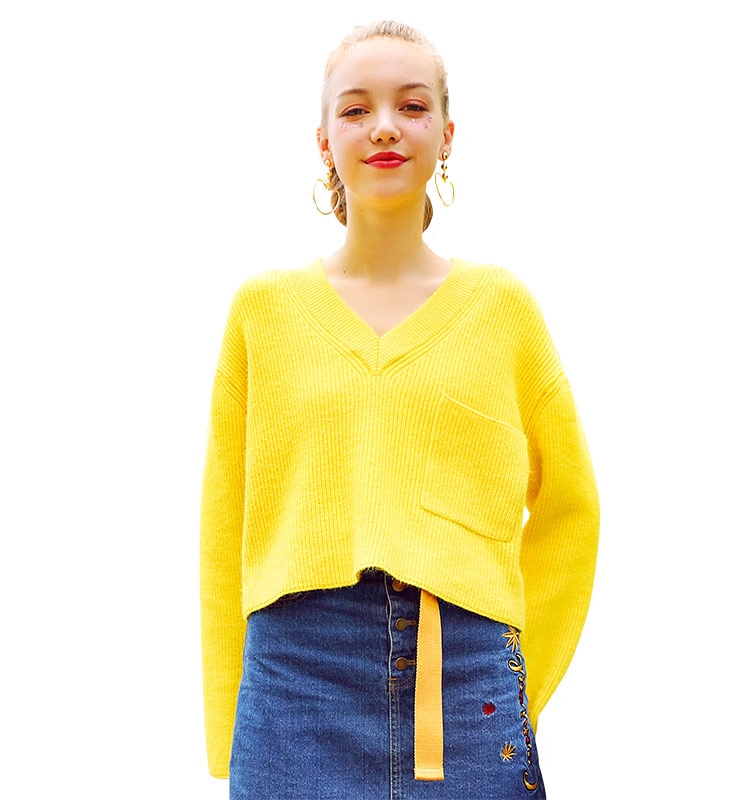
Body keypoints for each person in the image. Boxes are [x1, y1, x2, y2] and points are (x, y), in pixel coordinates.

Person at [200, 20, 600, 800]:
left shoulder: (502, 310)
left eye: (411, 106)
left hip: (467, 683)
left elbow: (572, 508)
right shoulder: (263, 312)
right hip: (292, 688)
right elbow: (225, 525)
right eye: (356, 109)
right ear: (323, 141)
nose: (384, 126)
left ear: (446, 135)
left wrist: (520, 683)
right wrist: (229, 729)